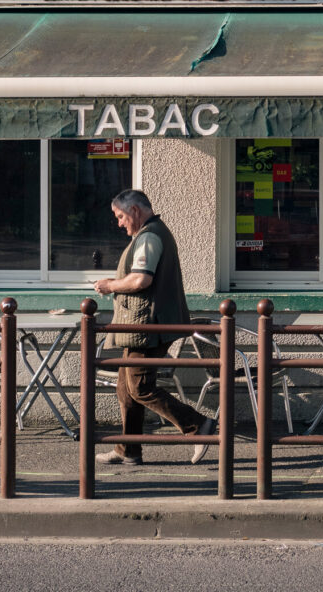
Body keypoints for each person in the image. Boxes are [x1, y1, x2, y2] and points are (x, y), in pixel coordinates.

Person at [93, 189, 215, 466]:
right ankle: (128, 450)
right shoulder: (151, 233)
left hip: (147, 327)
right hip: (144, 326)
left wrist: (110, 285)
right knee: (126, 388)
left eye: (120, 216)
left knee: (139, 387)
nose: (119, 223)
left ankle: (199, 426)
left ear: (135, 210)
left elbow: (141, 280)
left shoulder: (149, 236)